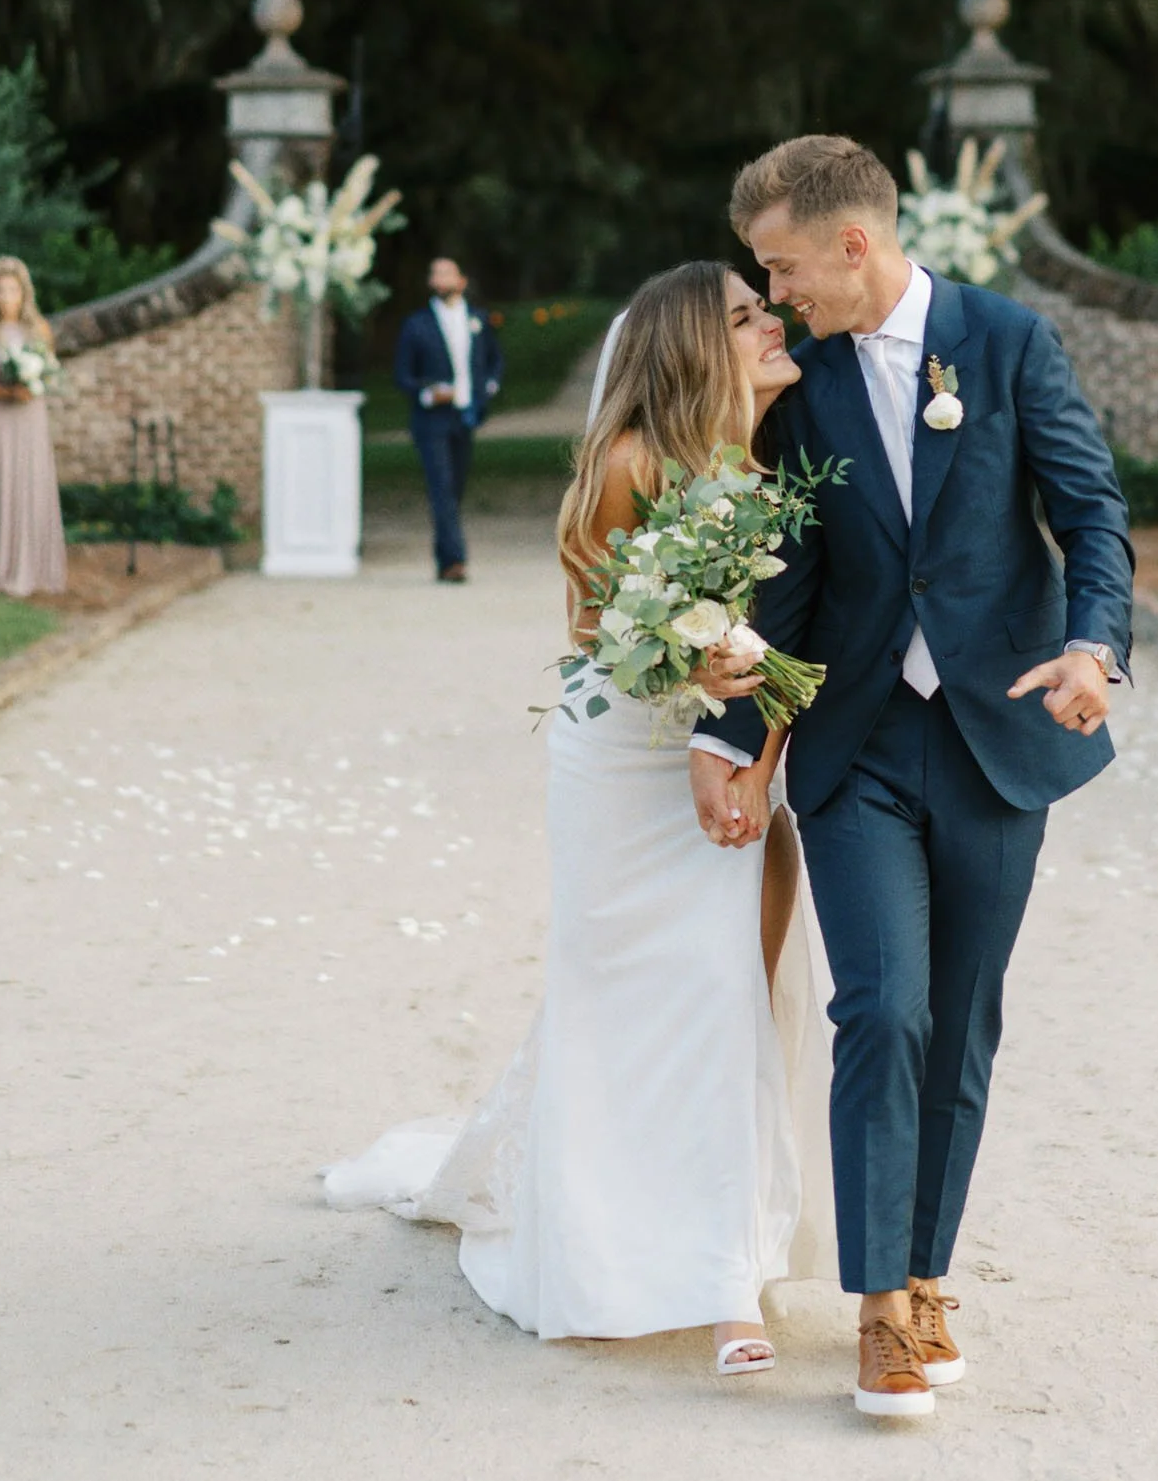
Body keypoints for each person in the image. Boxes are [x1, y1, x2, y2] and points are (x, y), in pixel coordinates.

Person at [325, 261, 835, 1378]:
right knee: (621, 1013)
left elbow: (801, 650)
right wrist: (689, 654)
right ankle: (636, 1262)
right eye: (745, 316)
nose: (771, 323)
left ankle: (727, 1276)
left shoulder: (791, 466)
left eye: (766, 306)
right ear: (695, 347)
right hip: (625, 764)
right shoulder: (630, 464)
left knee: (734, 1002)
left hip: (738, 762)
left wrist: (754, 754)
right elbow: (603, 630)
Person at [698, 135, 1134, 1417]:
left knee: (960, 1015)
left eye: (781, 268)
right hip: (858, 744)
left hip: (999, 734)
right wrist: (735, 741)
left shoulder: (1006, 343)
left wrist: (1090, 647)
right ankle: (881, 1309)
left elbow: (1090, 512)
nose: (773, 298)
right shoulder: (807, 381)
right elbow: (789, 581)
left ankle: (928, 1273)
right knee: (879, 1008)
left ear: (851, 244)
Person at [393, 256, 504, 584]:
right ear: (430, 283)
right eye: (435, 274)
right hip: (432, 420)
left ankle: (444, 559)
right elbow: (403, 375)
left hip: (466, 417)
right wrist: (429, 393)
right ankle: (456, 561)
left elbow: (495, 359)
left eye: (447, 273)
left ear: (461, 281)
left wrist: (489, 386)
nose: (441, 279)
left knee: (454, 489)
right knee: (441, 486)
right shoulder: (416, 325)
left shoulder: (477, 319)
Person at [0, 257, 67, 597]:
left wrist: (32, 384)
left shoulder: (40, 330)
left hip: (31, 417)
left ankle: (36, 566)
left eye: (13, 290)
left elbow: (50, 371)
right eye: (0, 290)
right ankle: (0, 567)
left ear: (24, 294)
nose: (7, 296)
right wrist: (7, 390)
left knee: (31, 481)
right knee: (1, 483)